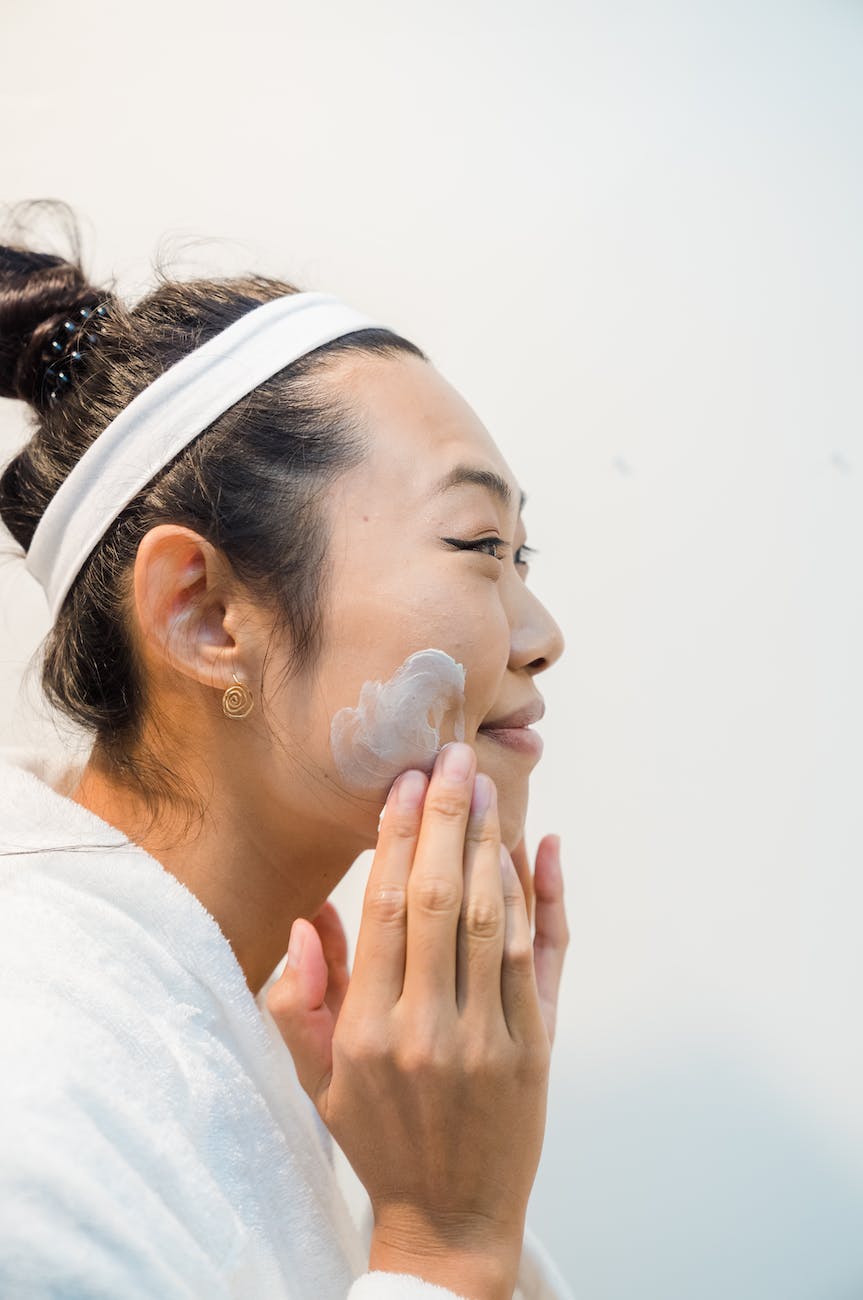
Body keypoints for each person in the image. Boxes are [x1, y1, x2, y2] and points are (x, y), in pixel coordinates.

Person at [0, 212, 571, 1300]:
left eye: (523, 553)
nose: (542, 633)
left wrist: (386, 1176)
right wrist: (444, 1244)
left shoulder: (219, 1040)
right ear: (206, 613)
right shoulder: (31, 1103)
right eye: (479, 547)